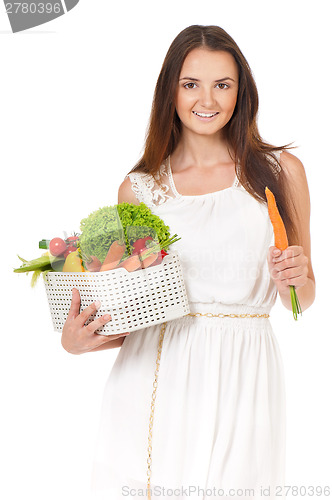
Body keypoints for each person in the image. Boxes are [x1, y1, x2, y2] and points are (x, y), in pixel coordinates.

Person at [61, 25, 316, 500]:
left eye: (223, 84)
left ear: (242, 92)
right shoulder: (139, 189)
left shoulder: (281, 172)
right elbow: (133, 307)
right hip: (155, 377)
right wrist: (78, 342)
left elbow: (302, 297)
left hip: (245, 373)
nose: (208, 99)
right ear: (170, 92)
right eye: (191, 83)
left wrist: (296, 281)